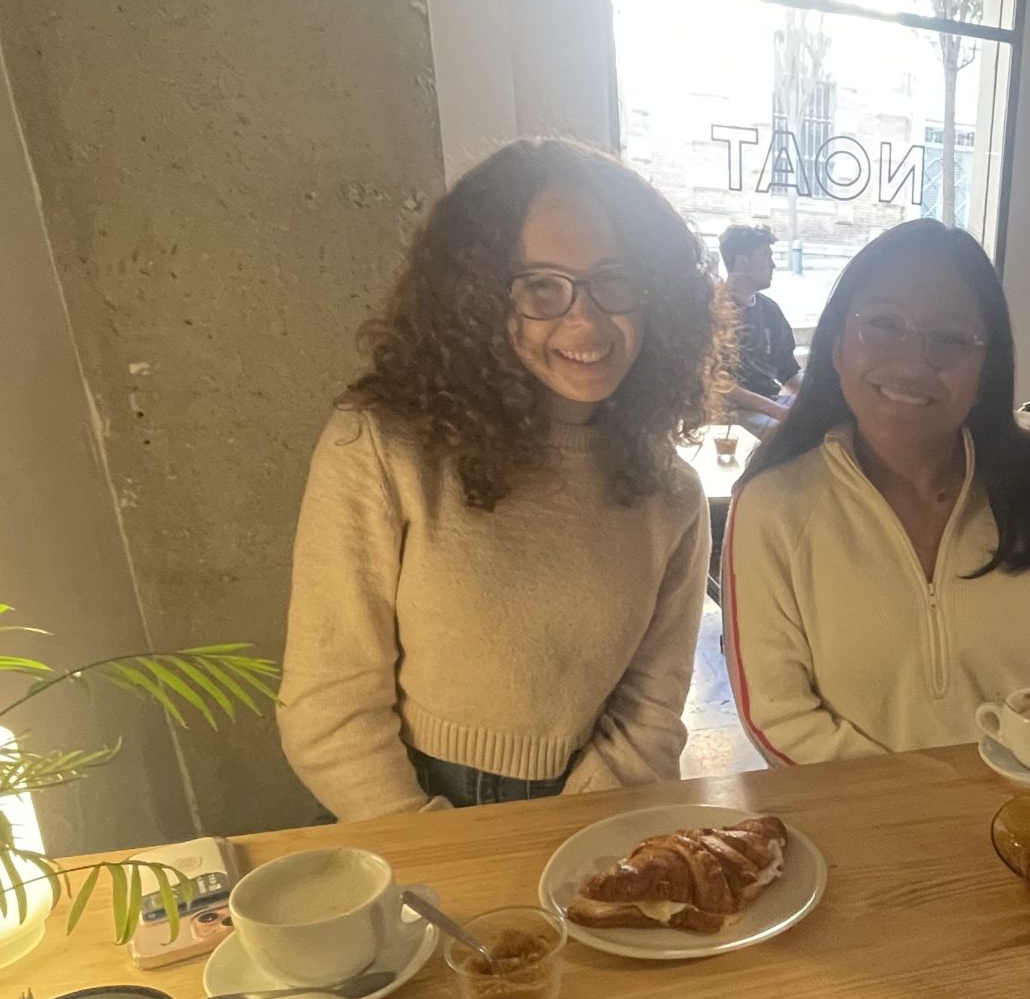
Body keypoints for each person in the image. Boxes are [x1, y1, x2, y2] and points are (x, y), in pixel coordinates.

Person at [277, 137, 717, 816]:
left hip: (596, 807)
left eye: (615, 279)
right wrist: (443, 848)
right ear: (475, 301)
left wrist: (569, 832)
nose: (586, 318)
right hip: (398, 806)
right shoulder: (382, 446)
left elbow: (653, 707)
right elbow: (328, 709)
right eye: (541, 285)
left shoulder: (673, 493)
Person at [722, 219, 1030, 763]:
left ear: (986, 368)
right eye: (884, 324)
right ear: (837, 343)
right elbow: (780, 715)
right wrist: (925, 813)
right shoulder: (773, 505)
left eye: (951, 339)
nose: (914, 362)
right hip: (862, 827)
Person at [719, 225, 798, 431]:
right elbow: (717, 383)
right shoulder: (711, 309)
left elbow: (788, 372)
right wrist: (776, 411)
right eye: (766, 256)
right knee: (784, 434)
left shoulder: (770, 310)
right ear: (742, 262)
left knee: (833, 421)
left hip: (771, 403)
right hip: (728, 411)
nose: (773, 265)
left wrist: (821, 399)